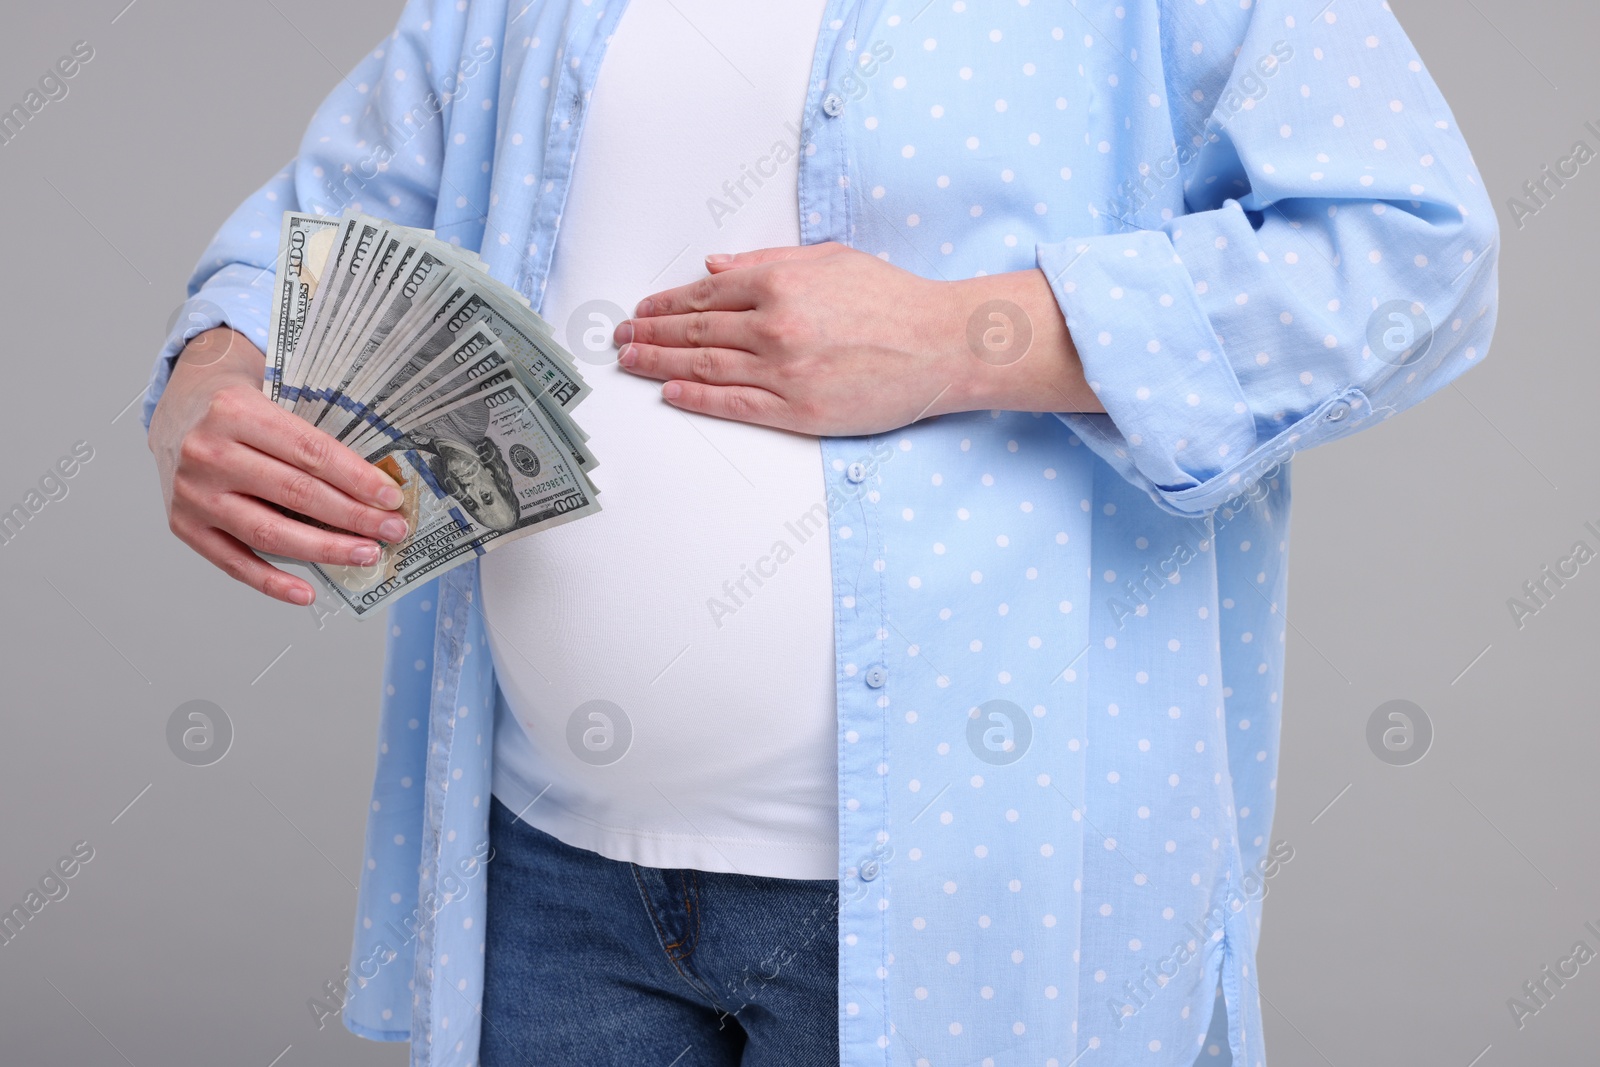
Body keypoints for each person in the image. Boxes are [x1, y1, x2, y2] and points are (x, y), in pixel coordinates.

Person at [142, 1, 1499, 1064]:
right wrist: (213, 372)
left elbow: (1413, 256)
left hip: (961, 903)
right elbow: (335, 211)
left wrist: (965, 335)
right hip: (545, 869)